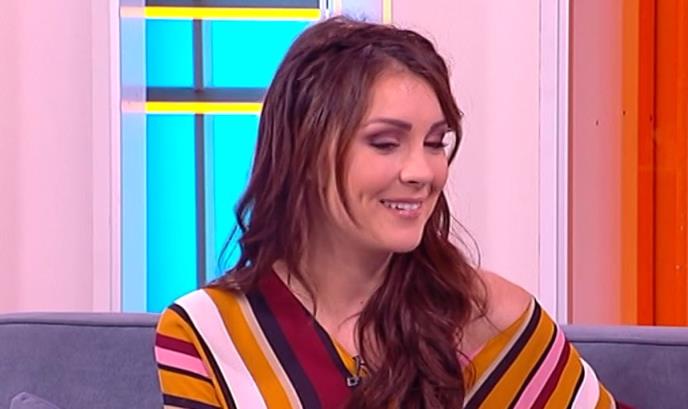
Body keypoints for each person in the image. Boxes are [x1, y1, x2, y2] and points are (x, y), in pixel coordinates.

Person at [154, 16, 624, 409]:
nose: (422, 172)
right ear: (306, 153)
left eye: (435, 143)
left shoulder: (487, 314)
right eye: (385, 143)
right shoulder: (207, 333)